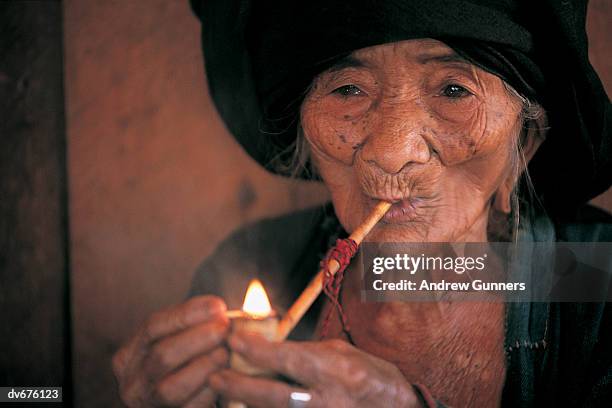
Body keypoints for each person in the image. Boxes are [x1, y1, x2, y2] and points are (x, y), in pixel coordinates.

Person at [112, 0, 612, 406]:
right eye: (348, 89)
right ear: (304, 131)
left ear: (526, 138)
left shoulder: (597, 280)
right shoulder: (258, 260)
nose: (392, 153)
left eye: (454, 90)